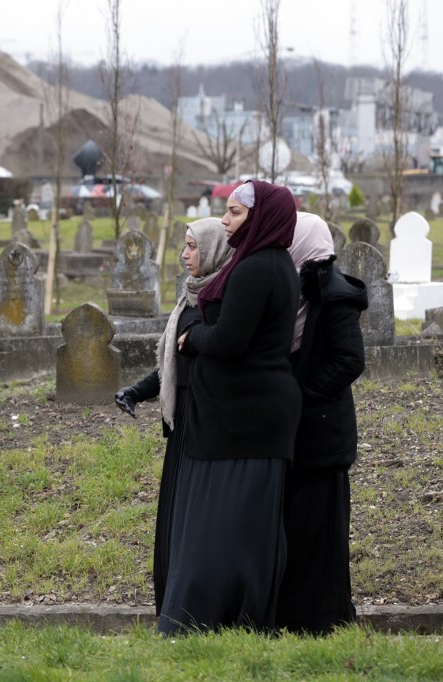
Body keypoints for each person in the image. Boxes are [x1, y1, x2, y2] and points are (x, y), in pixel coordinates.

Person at [158, 179, 302, 635]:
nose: (225, 220)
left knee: (223, 527)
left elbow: (231, 340)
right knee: (237, 526)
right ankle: (229, 618)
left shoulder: (258, 268)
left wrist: (193, 336)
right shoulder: (269, 263)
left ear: (261, 218)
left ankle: (209, 617)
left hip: (244, 420)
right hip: (243, 417)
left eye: (235, 213)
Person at [114, 217, 233, 616]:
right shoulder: (189, 296)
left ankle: (194, 605)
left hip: (207, 423)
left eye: (193, 247)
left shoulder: (221, 301)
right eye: (184, 246)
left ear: (214, 249)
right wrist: (137, 390)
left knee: (195, 516)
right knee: (174, 513)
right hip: (182, 424)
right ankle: (171, 602)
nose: (184, 255)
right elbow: (173, 365)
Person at [276, 212, 367, 635]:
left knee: (321, 532)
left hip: (323, 433)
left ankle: (324, 619)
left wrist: (304, 396)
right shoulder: (295, 288)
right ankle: (293, 616)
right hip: (296, 431)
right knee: (296, 528)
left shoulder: (334, 294)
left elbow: (349, 360)